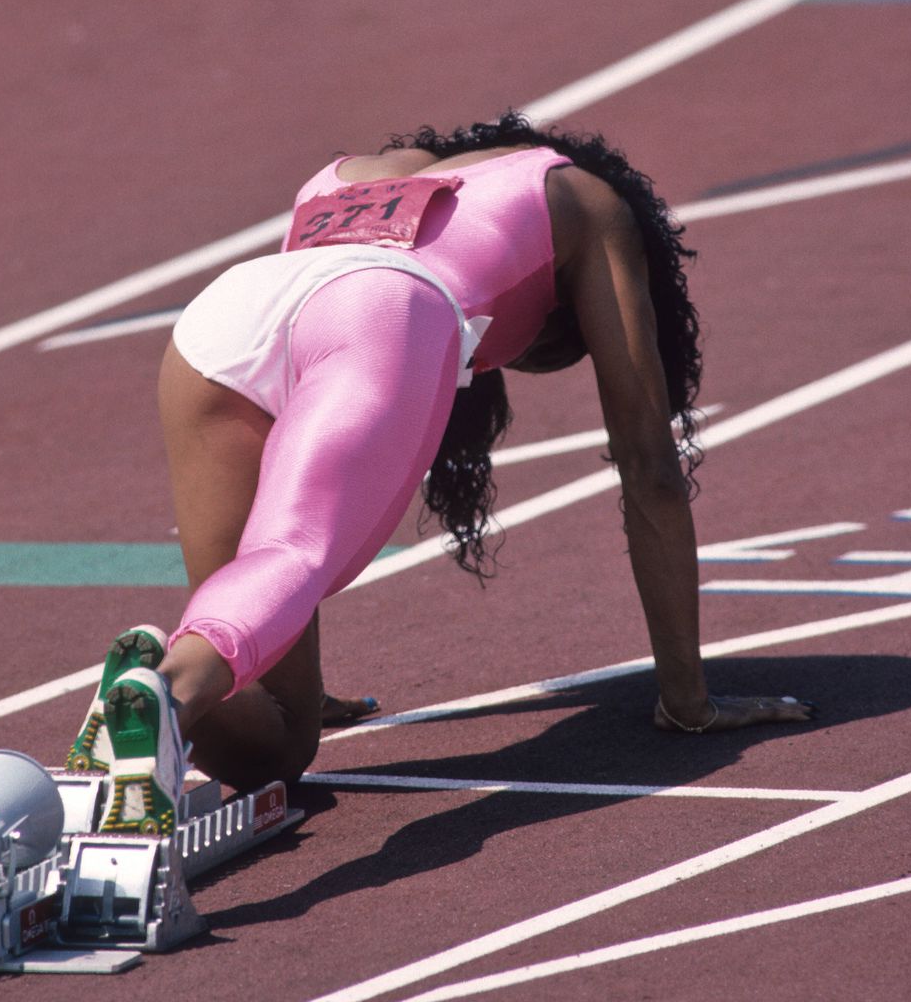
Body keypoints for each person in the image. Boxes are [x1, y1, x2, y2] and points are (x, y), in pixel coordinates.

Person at [68, 114, 812, 832]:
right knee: (291, 551)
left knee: (279, 748)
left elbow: (301, 343)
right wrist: (688, 698)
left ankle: (154, 681)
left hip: (224, 315)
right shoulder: (582, 197)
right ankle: (166, 689)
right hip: (382, 309)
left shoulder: (343, 175)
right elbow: (648, 465)